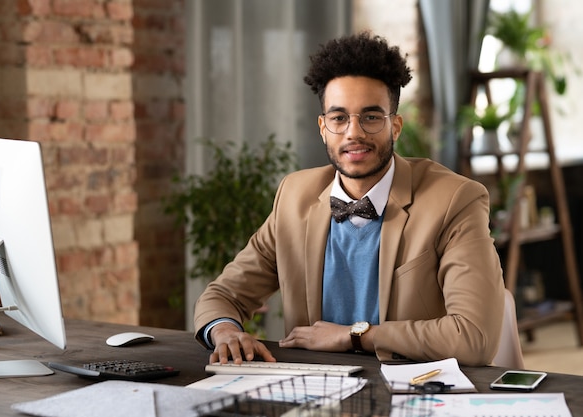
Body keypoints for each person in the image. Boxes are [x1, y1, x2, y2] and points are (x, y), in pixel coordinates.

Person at [193, 32, 505, 367]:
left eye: (370, 117)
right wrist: (225, 331)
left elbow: (474, 338)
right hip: (313, 390)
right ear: (323, 127)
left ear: (395, 126)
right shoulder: (295, 197)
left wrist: (355, 335)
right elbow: (223, 294)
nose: (353, 132)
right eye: (339, 118)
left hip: (412, 391)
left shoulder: (454, 200)